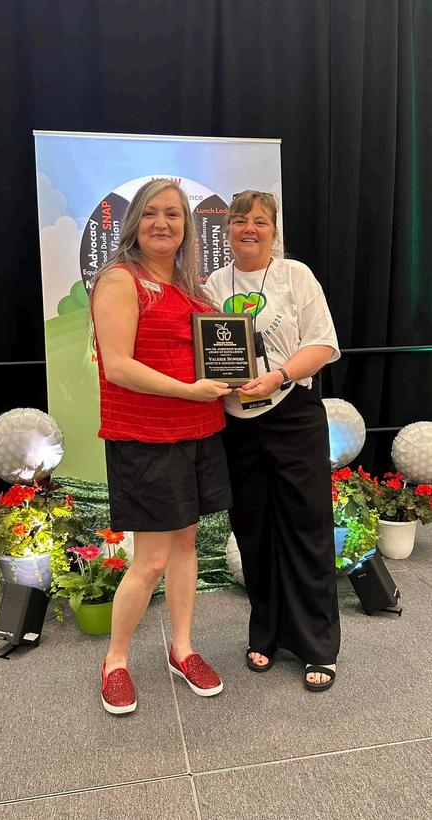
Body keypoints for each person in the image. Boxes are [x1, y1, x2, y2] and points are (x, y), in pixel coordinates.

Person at [92, 179, 232, 715]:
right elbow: (118, 366)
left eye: (173, 214)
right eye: (151, 213)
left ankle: (183, 649)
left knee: (185, 546)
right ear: (134, 222)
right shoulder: (120, 279)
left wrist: (232, 379)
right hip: (147, 437)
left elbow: (211, 354)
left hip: (198, 431)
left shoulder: (192, 287)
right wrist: (189, 390)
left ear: (186, 226)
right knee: (149, 560)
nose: (162, 223)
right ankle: (116, 660)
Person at [204, 190, 340, 691]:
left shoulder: (295, 276)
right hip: (236, 424)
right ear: (227, 229)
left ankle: (318, 645)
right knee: (253, 530)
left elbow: (323, 344)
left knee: (307, 526)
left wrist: (279, 376)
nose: (249, 229)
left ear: (273, 230)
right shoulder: (212, 285)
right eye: (240, 220)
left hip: (293, 414)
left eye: (260, 221)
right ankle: (264, 632)